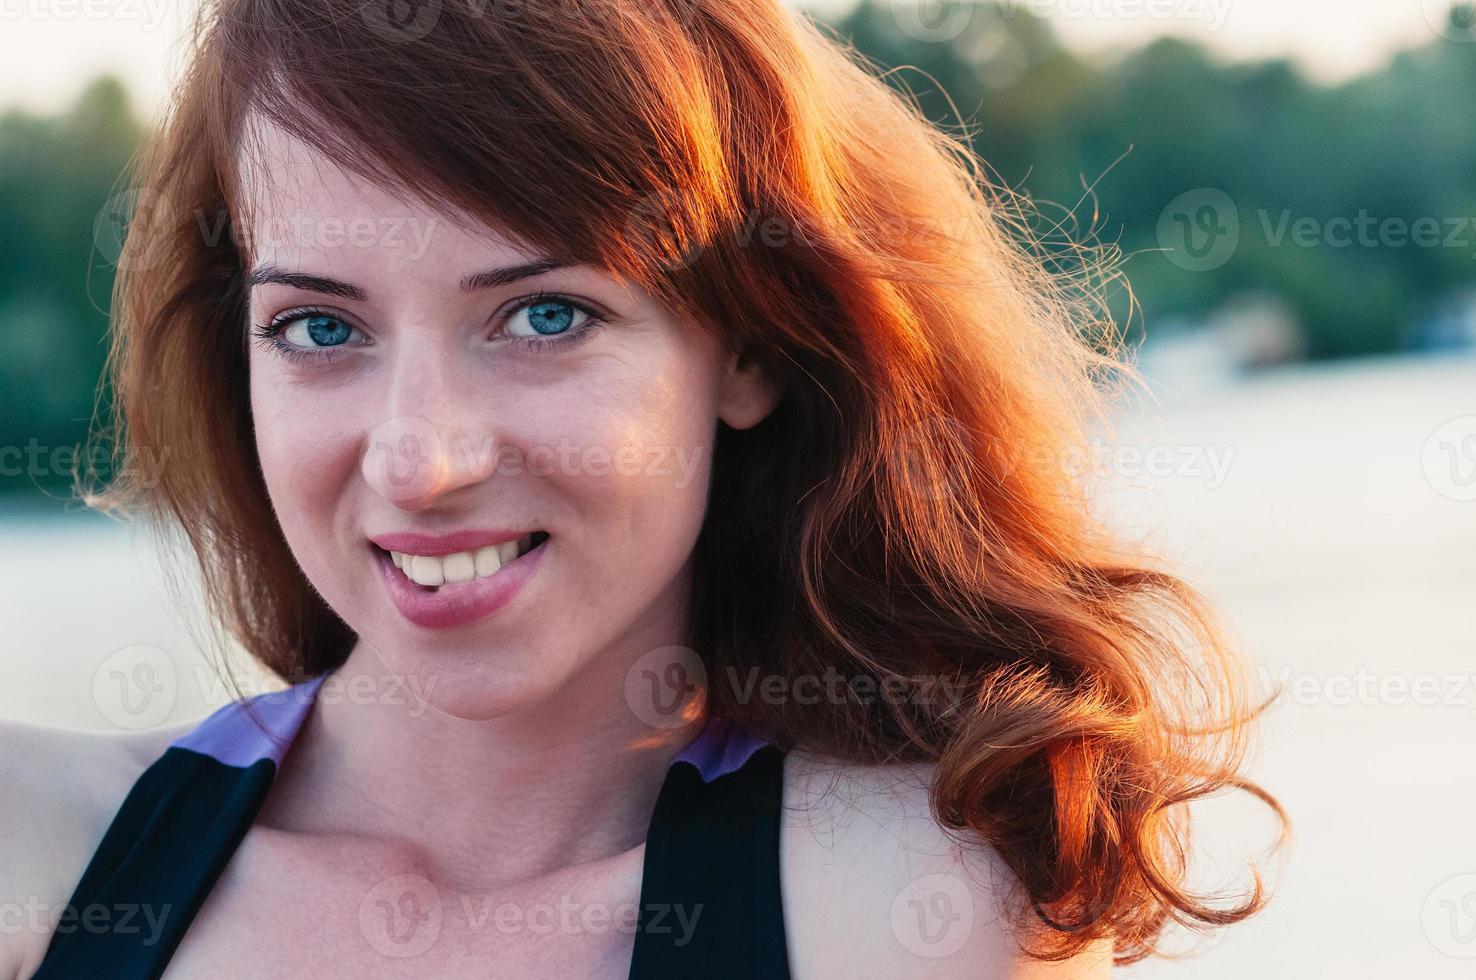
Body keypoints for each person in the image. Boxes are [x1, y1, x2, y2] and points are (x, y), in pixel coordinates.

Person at [0, 0, 1282, 976]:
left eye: (544, 315)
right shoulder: (35, 855)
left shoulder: (907, 906)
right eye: (322, 331)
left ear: (752, 346)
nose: (419, 460)